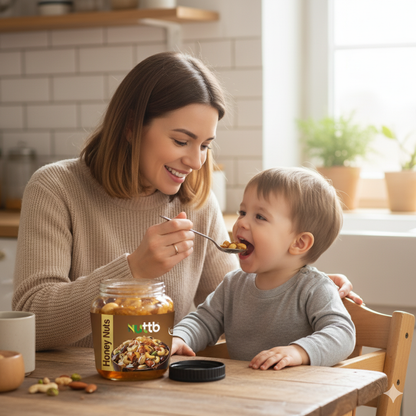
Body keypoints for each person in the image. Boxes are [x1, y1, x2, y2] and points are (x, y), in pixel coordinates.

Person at [12, 52, 359, 352]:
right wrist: (133, 270)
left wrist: (293, 279)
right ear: (132, 126)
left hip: (164, 390)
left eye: (205, 145)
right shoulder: (55, 188)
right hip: (71, 394)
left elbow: (230, 307)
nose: (196, 162)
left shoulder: (195, 202)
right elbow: (34, 324)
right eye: (181, 141)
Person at [172, 167, 356, 370]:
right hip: (246, 392)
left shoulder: (314, 288)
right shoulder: (233, 285)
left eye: (259, 217)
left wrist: (298, 352)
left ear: (299, 243)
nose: (241, 222)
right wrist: (180, 337)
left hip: (299, 396)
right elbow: (203, 321)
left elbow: (342, 333)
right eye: (242, 212)